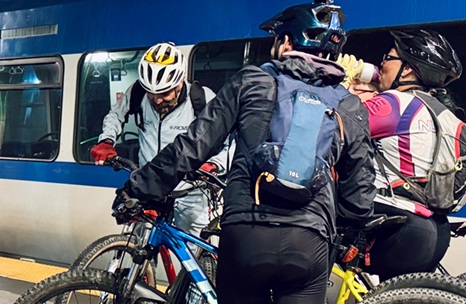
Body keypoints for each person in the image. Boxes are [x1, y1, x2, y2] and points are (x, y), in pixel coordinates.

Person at [113, 1, 375, 303]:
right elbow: (360, 188)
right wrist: (344, 230)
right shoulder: (348, 104)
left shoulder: (251, 81)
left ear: (287, 42)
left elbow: (192, 145)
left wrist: (137, 189)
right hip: (310, 240)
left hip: (247, 236)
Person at [338, 28, 464, 281]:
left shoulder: (392, 103)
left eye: (388, 57)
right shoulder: (440, 112)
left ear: (406, 69)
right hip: (433, 230)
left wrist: (338, 83)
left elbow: (335, 127)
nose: (381, 63)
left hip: (397, 228)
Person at [90, 42, 229, 236]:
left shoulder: (202, 100)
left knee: (191, 249)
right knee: (138, 243)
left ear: (180, 82)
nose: (156, 100)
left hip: (190, 191)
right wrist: (106, 140)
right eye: (151, 93)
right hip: (150, 185)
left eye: (164, 93)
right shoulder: (137, 93)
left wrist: (213, 165)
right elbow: (116, 115)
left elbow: (228, 143)